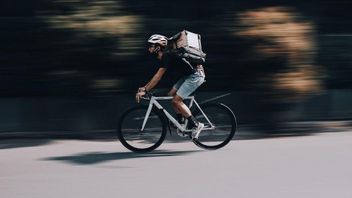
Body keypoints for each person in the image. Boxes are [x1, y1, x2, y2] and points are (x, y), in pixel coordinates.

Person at [136, 34, 206, 139]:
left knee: (176, 101)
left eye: (151, 46)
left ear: (158, 47)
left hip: (195, 76)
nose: (149, 48)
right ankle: (181, 122)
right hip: (188, 76)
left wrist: (146, 89)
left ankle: (196, 124)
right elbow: (157, 76)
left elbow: (158, 76)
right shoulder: (167, 56)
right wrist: (145, 87)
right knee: (171, 95)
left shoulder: (167, 55)